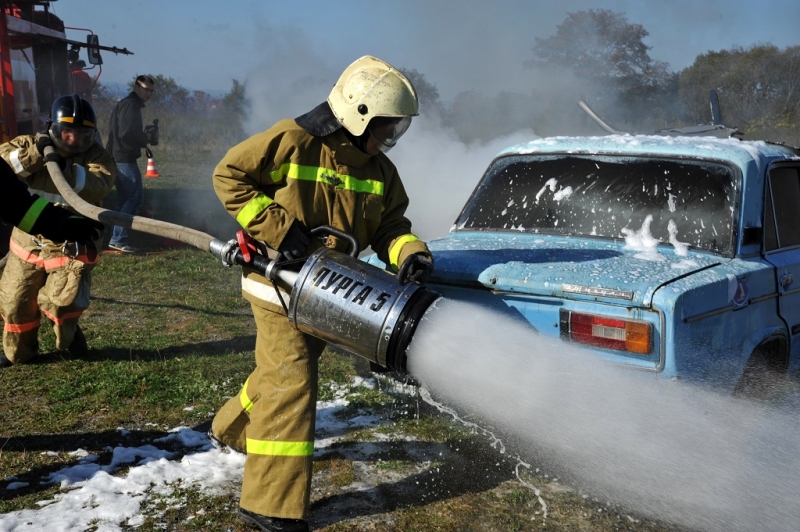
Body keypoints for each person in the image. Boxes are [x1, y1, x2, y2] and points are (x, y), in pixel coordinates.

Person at [210, 55, 434, 532]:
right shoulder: (293, 141)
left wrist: (409, 252)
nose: (390, 138)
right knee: (293, 384)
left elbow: (391, 226)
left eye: (397, 130)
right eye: (387, 127)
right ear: (358, 116)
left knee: (280, 376)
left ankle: (229, 426)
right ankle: (269, 507)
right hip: (276, 285)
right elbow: (229, 176)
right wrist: (277, 226)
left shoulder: (381, 172)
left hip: (331, 293)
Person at [0, 94, 115, 367]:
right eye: (67, 132)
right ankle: (20, 353)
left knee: (61, 300)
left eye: (82, 135)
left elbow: (99, 183)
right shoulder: (28, 145)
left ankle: (70, 336)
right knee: (15, 300)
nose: (74, 140)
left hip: (70, 238)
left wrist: (64, 168)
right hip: (28, 238)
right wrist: (36, 155)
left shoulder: (98, 157)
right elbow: (3, 167)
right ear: (52, 128)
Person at [106, 74, 158, 253]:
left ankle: (116, 235)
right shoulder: (130, 105)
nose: (149, 93)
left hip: (119, 156)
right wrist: (146, 137)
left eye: (151, 91)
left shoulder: (129, 104)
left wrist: (143, 138)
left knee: (124, 198)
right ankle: (118, 237)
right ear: (136, 87)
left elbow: (126, 132)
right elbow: (126, 133)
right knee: (134, 197)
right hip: (123, 158)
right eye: (145, 89)